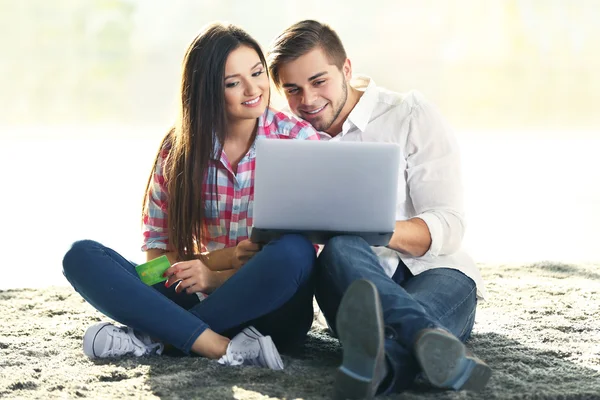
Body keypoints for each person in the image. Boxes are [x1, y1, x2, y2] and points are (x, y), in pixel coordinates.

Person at [62, 22, 320, 369]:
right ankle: (216, 345)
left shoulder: (298, 139)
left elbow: (299, 259)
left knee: (295, 250)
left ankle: (155, 337)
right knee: (81, 256)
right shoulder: (179, 147)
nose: (252, 88)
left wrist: (216, 273)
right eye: (232, 83)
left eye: (257, 73)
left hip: (270, 313)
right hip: (191, 296)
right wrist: (207, 266)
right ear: (207, 90)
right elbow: (158, 258)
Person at [267, 20, 492, 396]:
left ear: (346, 70)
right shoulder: (290, 141)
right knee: (341, 245)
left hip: (435, 270)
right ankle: (426, 340)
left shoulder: (408, 114)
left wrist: (378, 227)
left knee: (386, 323)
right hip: (350, 279)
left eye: (319, 81)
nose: (306, 99)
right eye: (292, 89)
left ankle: (381, 362)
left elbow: (449, 224)